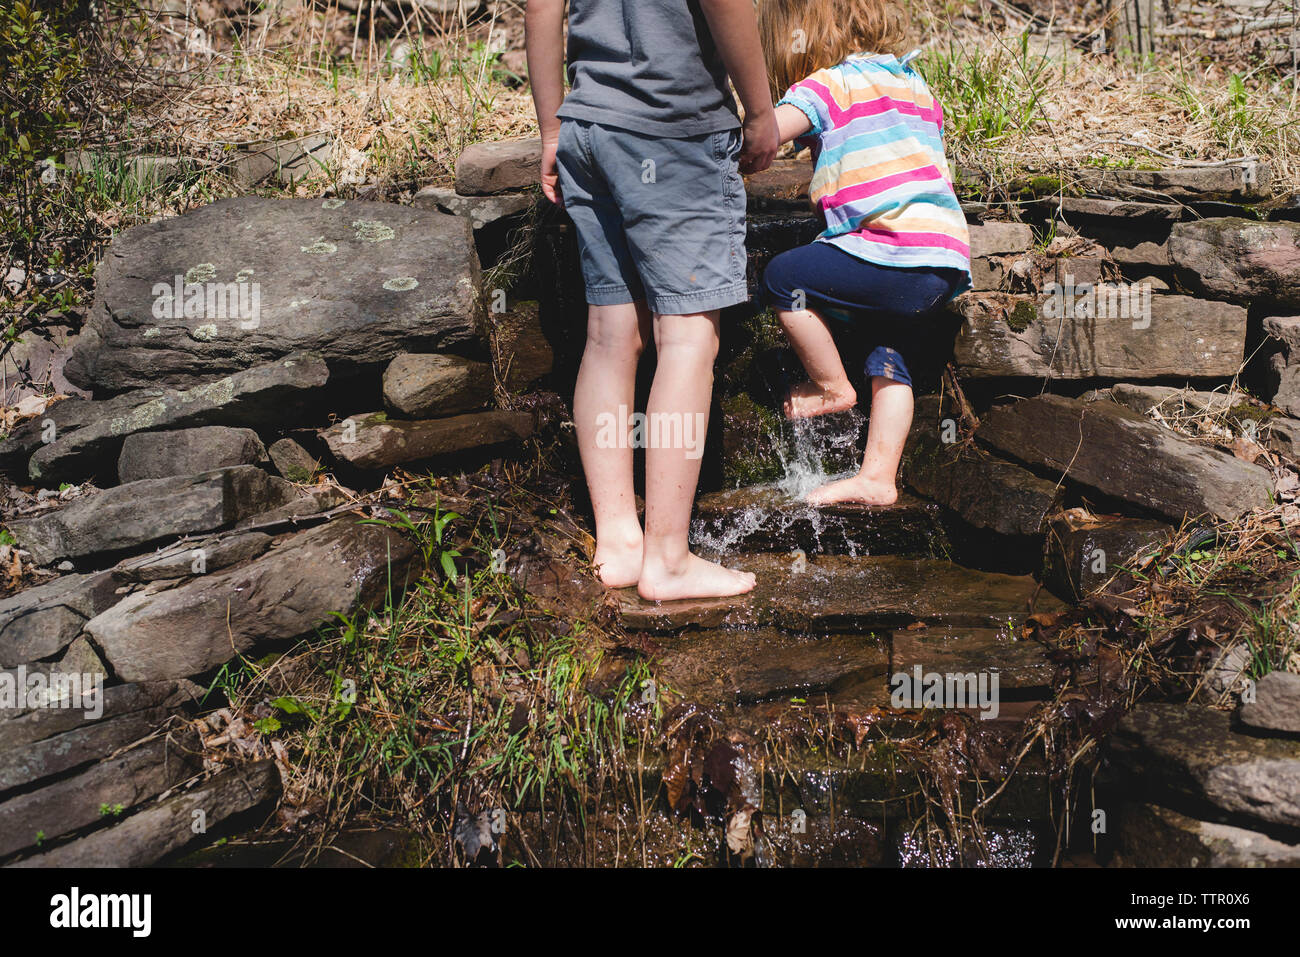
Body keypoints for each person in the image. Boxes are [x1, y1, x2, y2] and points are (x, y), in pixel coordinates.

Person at [525, 0, 779, 599]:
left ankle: (617, 540)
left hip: (589, 129)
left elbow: (540, 10)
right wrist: (761, 110)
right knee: (687, 338)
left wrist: (552, 129)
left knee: (611, 337)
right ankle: (667, 556)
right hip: (672, 130)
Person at [757, 0, 972, 506]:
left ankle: (830, 386)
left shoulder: (827, 85)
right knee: (890, 353)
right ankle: (877, 477)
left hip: (886, 249)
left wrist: (730, 151)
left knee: (783, 279)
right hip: (939, 262)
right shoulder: (915, 85)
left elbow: (767, 135)